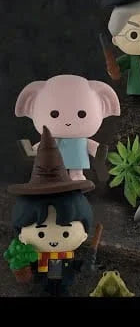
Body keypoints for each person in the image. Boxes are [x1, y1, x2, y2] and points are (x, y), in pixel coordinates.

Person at [7, 126, 93, 296]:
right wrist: (21, 268)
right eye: (41, 234)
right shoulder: (37, 258)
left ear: (84, 234)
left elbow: (79, 266)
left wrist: (87, 265)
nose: (53, 242)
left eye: (66, 233)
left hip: (64, 286)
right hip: (43, 286)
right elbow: (26, 272)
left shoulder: (67, 256)